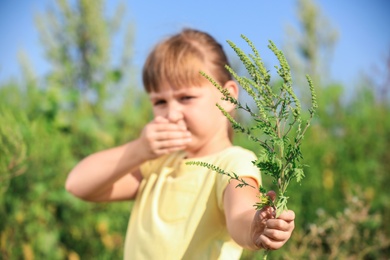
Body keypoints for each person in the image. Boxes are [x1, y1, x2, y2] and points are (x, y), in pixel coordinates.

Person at [65, 28, 295, 259]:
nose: (172, 113)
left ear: (227, 97)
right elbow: (78, 184)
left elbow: (240, 214)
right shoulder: (158, 165)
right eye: (160, 101)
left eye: (186, 98)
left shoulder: (232, 162)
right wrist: (139, 149)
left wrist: (255, 227)